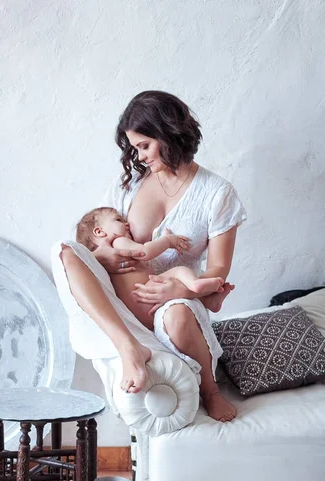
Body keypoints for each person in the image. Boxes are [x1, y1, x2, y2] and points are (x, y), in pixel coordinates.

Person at [59, 90, 246, 422]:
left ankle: (211, 391)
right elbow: (93, 235)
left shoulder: (217, 194)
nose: (140, 156)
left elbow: (218, 268)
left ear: (169, 133)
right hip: (123, 303)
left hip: (175, 301)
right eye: (134, 149)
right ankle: (128, 346)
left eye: (144, 145)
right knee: (64, 251)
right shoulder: (128, 186)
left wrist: (181, 290)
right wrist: (104, 259)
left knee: (177, 314)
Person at [75, 206, 225, 330]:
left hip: (139, 312)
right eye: (118, 220)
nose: (126, 224)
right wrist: (167, 241)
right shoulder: (117, 242)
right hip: (146, 295)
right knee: (178, 271)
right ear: (99, 231)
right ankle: (195, 285)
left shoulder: (102, 261)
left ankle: (207, 301)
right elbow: (145, 252)